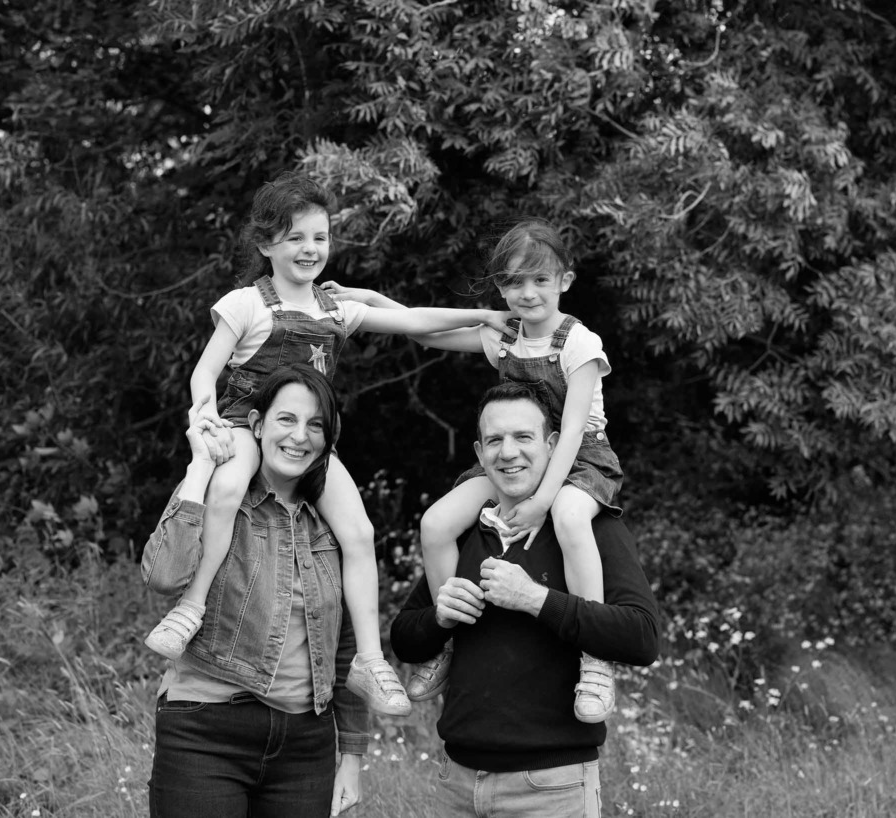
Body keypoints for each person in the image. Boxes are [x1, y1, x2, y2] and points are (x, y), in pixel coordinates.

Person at [144, 173, 512, 717]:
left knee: (359, 532)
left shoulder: (335, 310)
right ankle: (191, 607)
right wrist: (206, 422)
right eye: (295, 238)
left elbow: (412, 321)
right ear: (266, 244)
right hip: (248, 427)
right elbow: (205, 374)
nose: (309, 249)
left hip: (313, 443)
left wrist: (482, 315)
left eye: (319, 237)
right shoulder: (246, 303)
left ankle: (367, 659)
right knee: (224, 489)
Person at [325, 218, 625, 721]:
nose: (527, 293)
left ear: (565, 281)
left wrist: (540, 504)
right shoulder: (504, 337)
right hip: (513, 459)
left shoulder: (580, 342)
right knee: (436, 523)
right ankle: (451, 635)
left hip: (577, 460)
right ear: (502, 287)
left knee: (572, 518)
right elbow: (427, 334)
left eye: (540, 280)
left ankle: (594, 662)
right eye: (513, 282)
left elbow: (571, 432)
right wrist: (369, 297)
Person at [390, 382, 660, 818]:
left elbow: (642, 636)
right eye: (495, 440)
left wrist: (536, 599)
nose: (508, 452)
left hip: (553, 787)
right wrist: (439, 619)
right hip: (456, 782)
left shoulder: (587, 526)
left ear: (553, 445)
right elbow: (405, 640)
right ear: (479, 454)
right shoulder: (463, 532)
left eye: (523, 437)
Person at [141, 364, 369, 817]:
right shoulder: (222, 495)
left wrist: (353, 756)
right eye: (286, 419)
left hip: (306, 748)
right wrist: (200, 466)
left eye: (315, 425)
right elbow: (163, 576)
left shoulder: (331, 523)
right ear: (257, 425)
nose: (300, 436)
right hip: (205, 733)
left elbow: (346, 646)